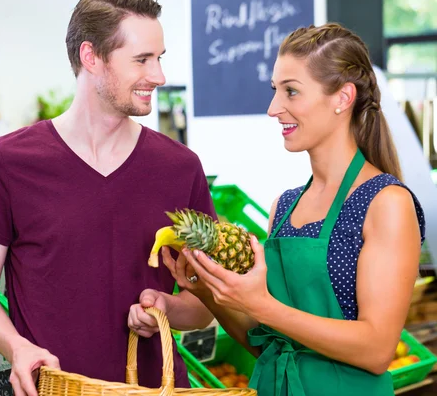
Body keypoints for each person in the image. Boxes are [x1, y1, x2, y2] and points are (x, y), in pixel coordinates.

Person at [0, 0, 215, 395]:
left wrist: (168, 308)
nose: (159, 76)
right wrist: (17, 348)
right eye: (142, 60)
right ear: (91, 56)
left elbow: (202, 305)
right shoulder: (9, 163)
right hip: (54, 388)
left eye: (160, 58)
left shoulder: (181, 169)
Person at [161, 23, 425, 396]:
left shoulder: (386, 203)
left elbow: (377, 349)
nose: (273, 109)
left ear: (342, 98)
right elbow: (267, 345)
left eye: (291, 92)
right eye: (275, 91)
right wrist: (205, 289)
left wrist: (264, 306)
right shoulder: (284, 207)